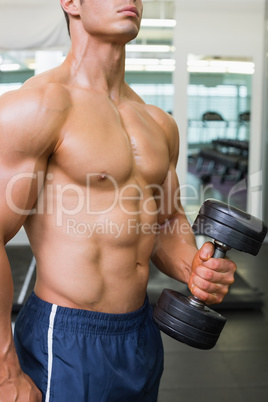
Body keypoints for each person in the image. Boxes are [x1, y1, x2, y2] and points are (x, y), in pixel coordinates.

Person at [0, 1, 236, 401]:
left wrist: (194, 267)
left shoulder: (158, 123)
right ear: (71, 3)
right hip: (67, 335)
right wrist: (5, 371)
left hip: (141, 333)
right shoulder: (37, 106)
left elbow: (165, 222)